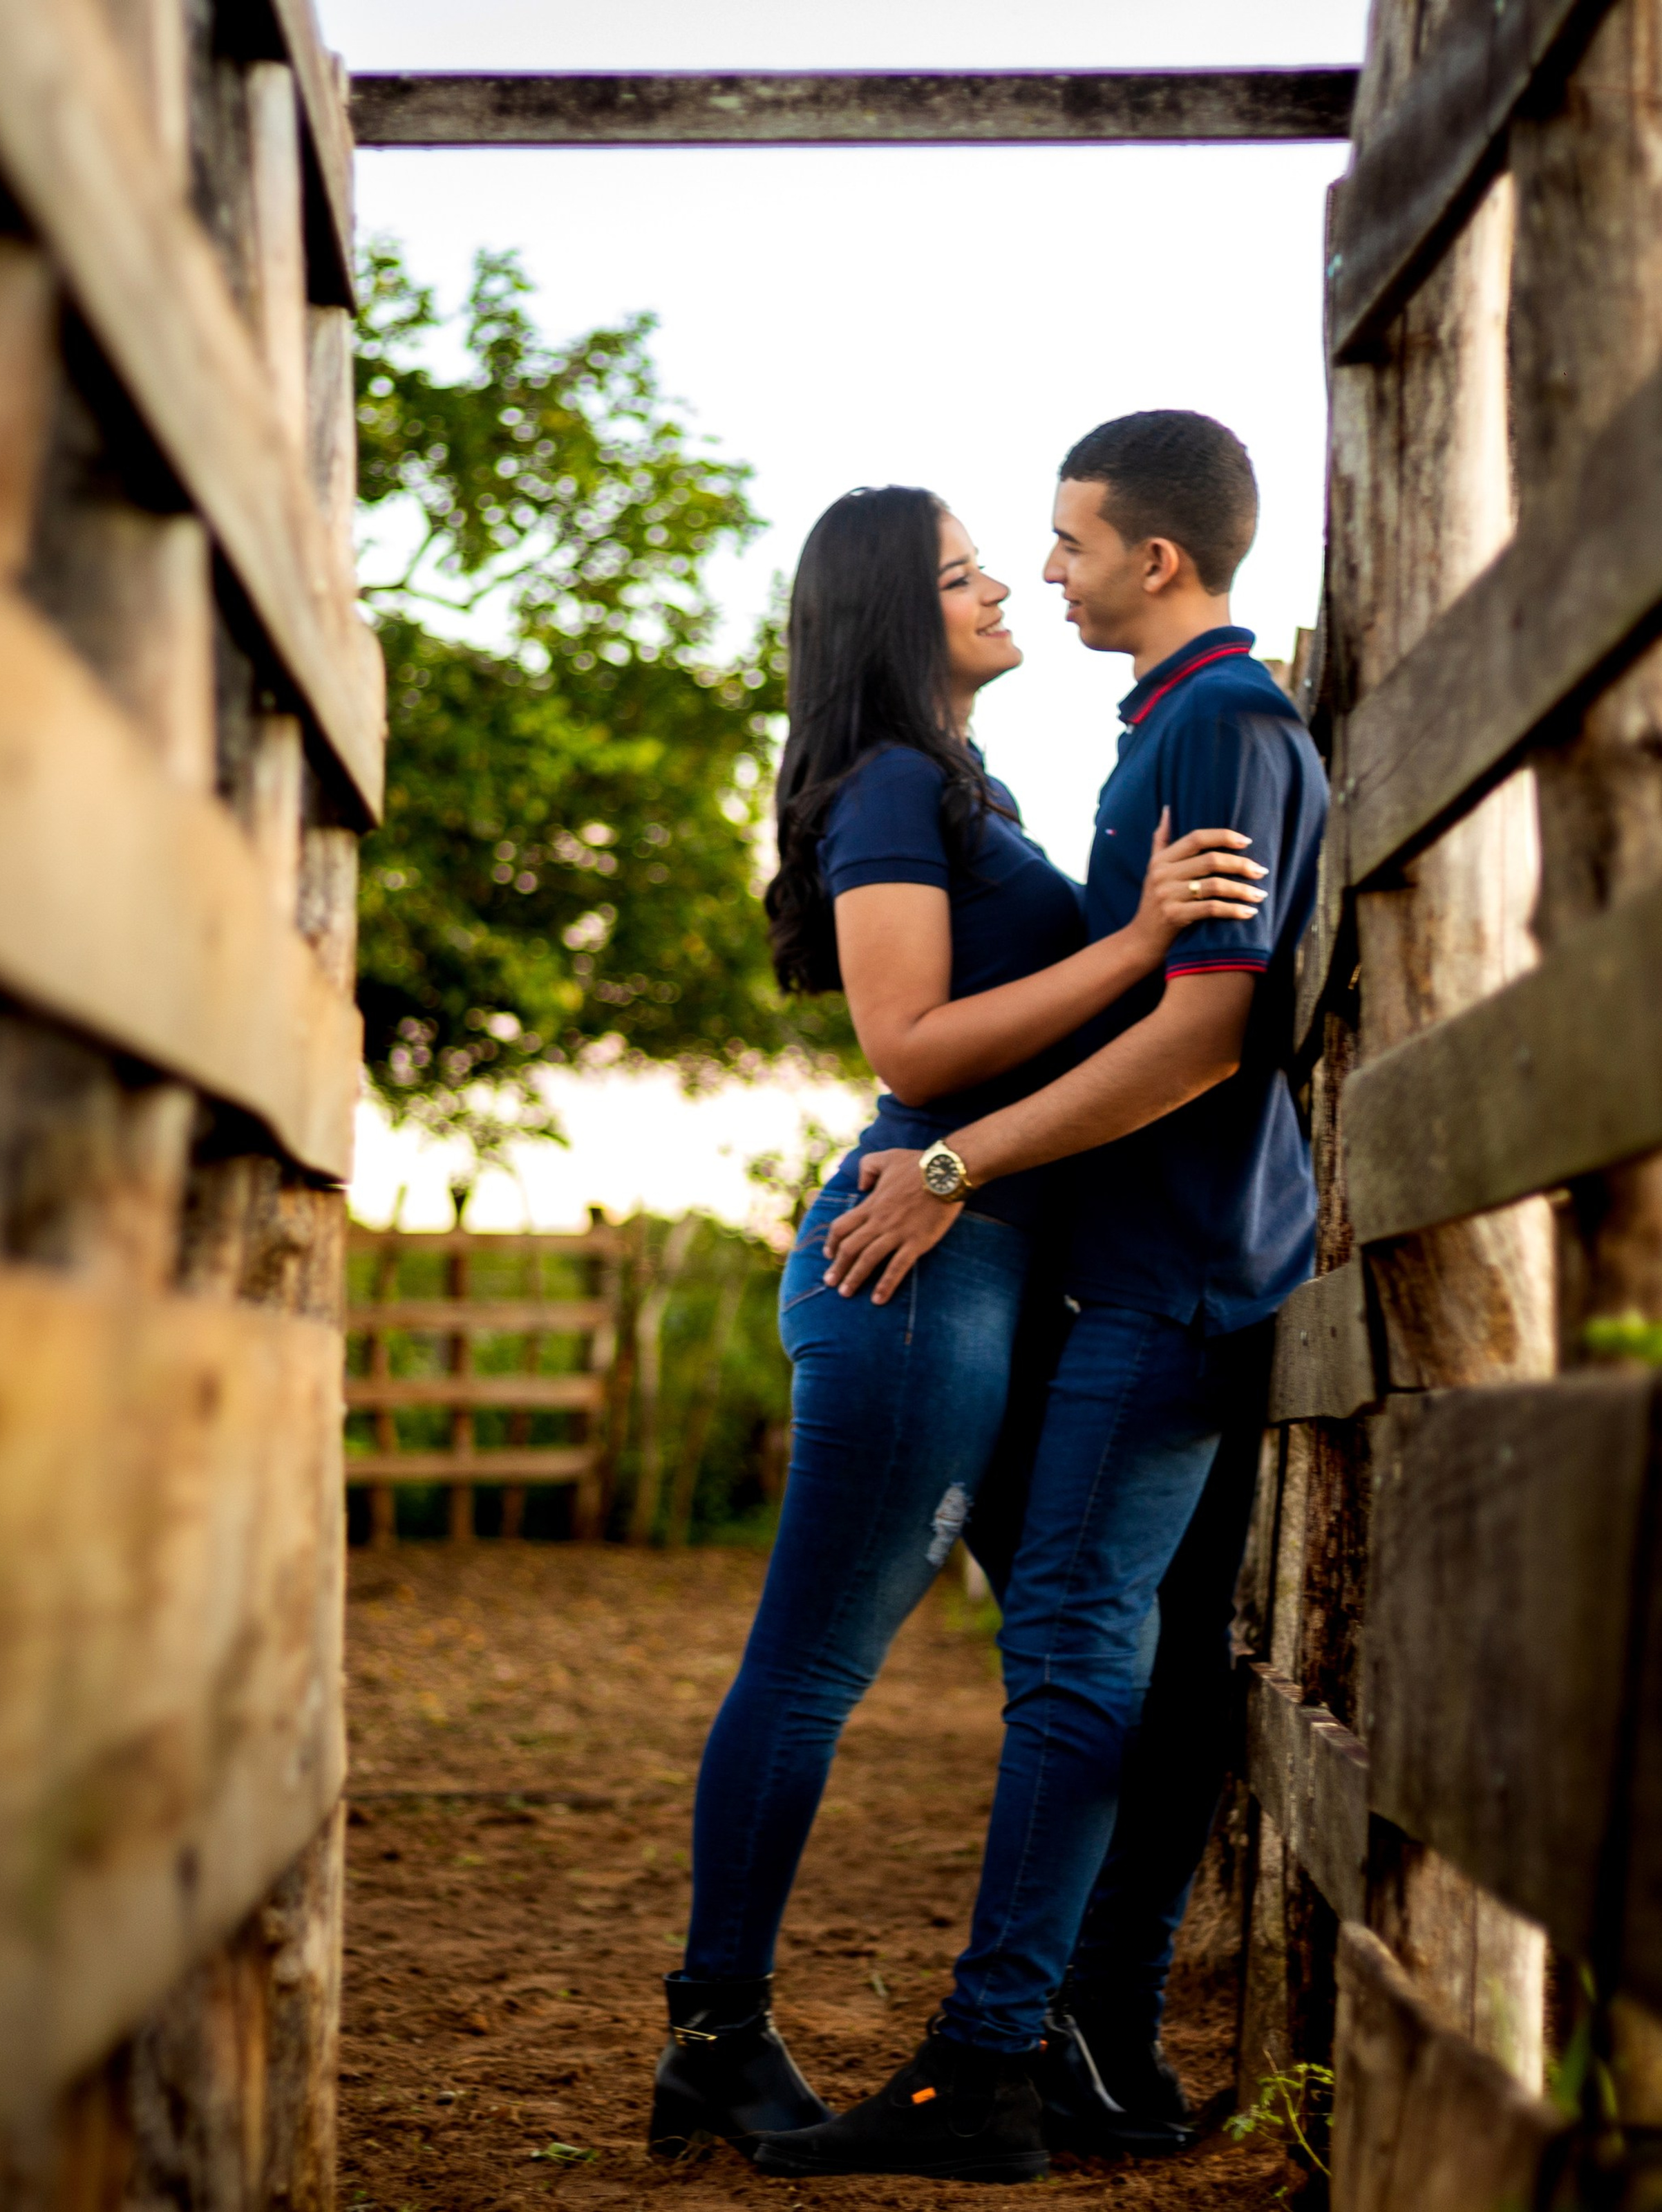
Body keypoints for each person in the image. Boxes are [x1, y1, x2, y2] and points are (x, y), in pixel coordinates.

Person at [647, 480, 1268, 2161]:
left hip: (994, 1265)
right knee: (815, 1659)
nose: (1000, 584)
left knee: (1096, 1651)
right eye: (957, 572)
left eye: (997, 562)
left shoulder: (966, 787)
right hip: (916, 1269)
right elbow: (910, 1045)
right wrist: (1138, 940)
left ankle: (1053, 2033)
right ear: (884, 613)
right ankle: (714, 2033)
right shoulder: (887, 785)